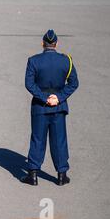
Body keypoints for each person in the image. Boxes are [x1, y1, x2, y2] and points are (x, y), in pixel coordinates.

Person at [21, 29, 79, 186]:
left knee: (38, 139)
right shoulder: (67, 60)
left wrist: (44, 98)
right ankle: (61, 175)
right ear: (56, 44)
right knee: (59, 140)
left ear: (42, 43)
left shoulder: (33, 61)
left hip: (40, 107)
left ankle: (32, 175)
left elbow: (29, 84)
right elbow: (74, 83)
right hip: (58, 107)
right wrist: (58, 98)